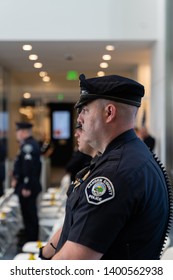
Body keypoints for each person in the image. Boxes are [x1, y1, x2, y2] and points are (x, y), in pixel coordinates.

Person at [39, 74, 172, 260]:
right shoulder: (127, 157)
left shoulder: (115, 173)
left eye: (84, 110)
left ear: (109, 113)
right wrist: (44, 255)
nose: (79, 119)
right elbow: (79, 223)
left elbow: (74, 262)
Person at [11, 122, 42, 243]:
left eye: (18, 132)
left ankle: (32, 240)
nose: (17, 135)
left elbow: (29, 168)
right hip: (26, 185)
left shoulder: (28, 146)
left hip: (28, 187)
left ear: (23, 132)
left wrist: (26, 186)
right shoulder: (28, 144)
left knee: (30, 214)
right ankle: (29, 237)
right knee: (27, 213)